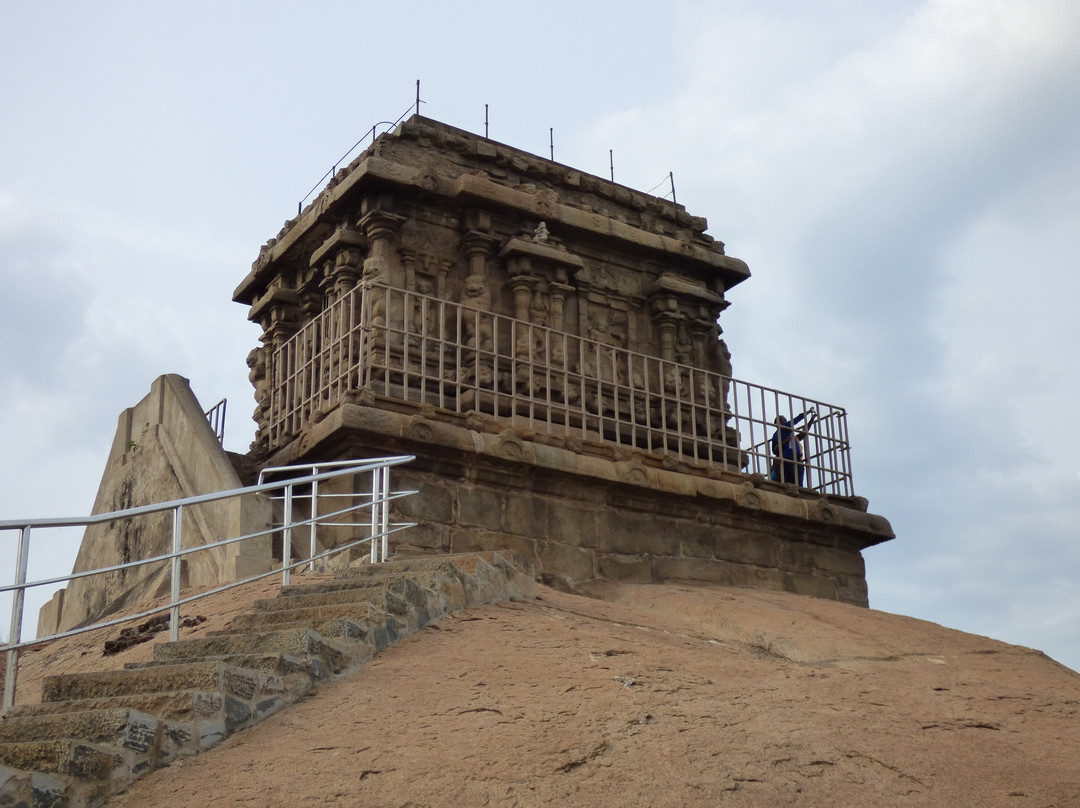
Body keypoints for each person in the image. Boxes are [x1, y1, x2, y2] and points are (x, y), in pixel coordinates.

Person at [769, 409, 816, 486]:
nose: (787, 421)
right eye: (785, 420)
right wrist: (808, 412)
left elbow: (803, 434)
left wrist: (811, 420)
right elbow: (795, 421)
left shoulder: (788, 435)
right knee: (795, 483)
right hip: (790, 460)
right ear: (780, 423)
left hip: (792, 460)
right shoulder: (781, 431)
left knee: (794, 483)